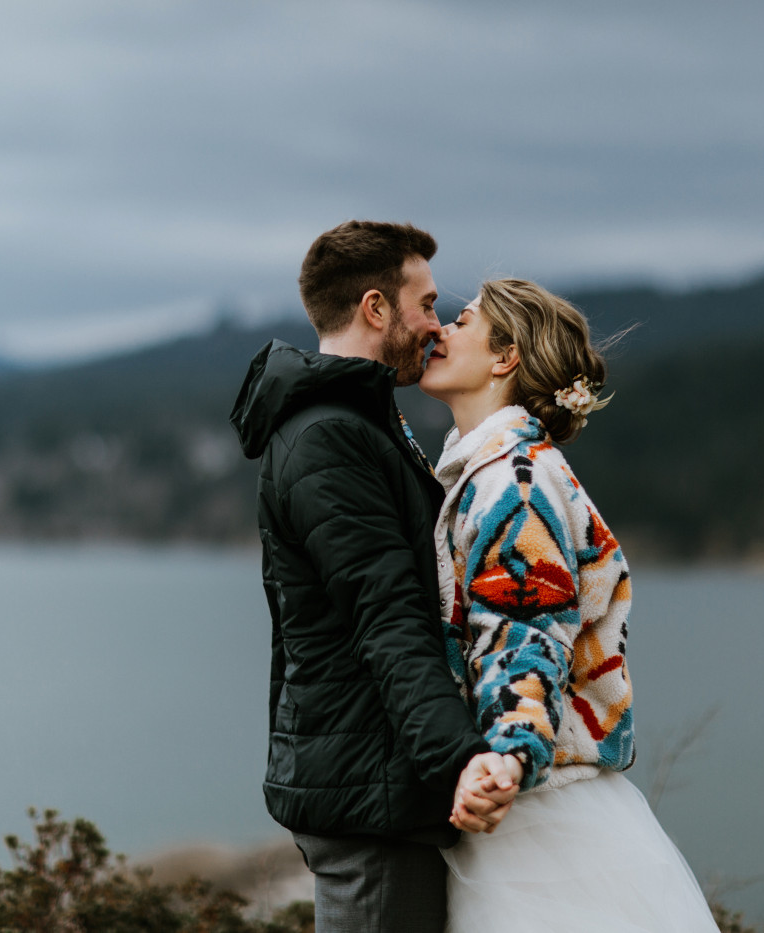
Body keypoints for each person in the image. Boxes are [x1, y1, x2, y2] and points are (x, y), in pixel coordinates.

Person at [229, 221, 520, 933]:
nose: (435, 322)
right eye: (423, 303)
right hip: (373, 795)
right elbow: (388, 618)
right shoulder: (329, 438)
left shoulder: (363, 422)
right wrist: (461, 761)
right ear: (375, 308)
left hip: (380, 775)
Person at [419, 278, 719, 932]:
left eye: (464, 319)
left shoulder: (515, 482)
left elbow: (527, 630)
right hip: (540, 803)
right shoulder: (496, 468)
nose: (439, 328)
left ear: (505, 358)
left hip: (540, 822)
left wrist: (509, 752)